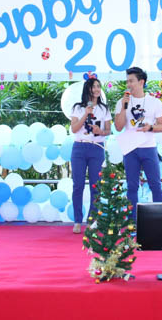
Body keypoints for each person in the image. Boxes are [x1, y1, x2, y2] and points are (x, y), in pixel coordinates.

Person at [113, 66, 162, 220]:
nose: (128, 84)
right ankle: (133, 222)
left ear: (141, 82)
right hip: (130, 149)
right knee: (132, 186)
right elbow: (118, 127)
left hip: (148, 147)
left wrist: (150, 127)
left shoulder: (154, 102)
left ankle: (161, 219)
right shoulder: (121, 102)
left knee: (155, 184)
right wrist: (124, 107)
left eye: (131, 81)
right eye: (127, 81)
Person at [69, 76, 111, 234]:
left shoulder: (104, 109)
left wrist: (101, 131)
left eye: (99, 86)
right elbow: (74, 129)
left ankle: (92, 220)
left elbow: (108, 130)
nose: (97, 89)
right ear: (88, 89)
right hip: (79, 147)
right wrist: (85, 113)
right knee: (78, 185)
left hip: (97, 148)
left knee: (96, 185)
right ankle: (77, 220)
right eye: (94, 86)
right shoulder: (78, 107)